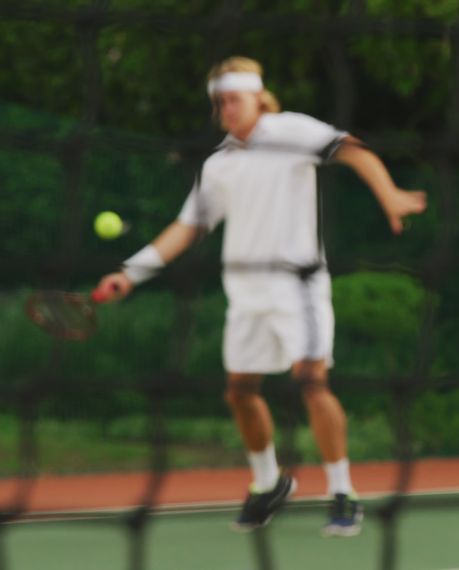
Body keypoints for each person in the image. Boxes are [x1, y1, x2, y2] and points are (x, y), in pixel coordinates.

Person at [94, 56, 426, 537]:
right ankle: (269, 483)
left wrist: (390, 194)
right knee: (240, 391)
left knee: (312, 382)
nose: (227, 108)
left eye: (234, 98)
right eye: (220, 101)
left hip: (300, 288)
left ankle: (342, 491)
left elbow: (355, 152)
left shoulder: (291, 132)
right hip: (245, 293)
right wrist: (130, 274)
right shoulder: (220, 165)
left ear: (258, 96)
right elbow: (188, 227)